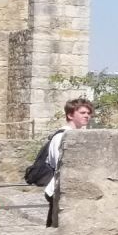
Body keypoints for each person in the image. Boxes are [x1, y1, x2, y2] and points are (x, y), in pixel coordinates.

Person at [42, 97, 93, 226]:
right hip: (58, 190)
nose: (87, 116)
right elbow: (58, 163)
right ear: (70, 115)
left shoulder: (76, 135)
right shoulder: (61, 136)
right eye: (82, 113)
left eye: (88, 113)